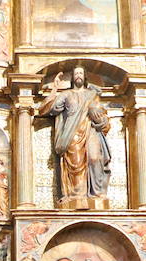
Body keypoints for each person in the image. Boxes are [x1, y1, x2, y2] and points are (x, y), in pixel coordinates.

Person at [38, 66, 112, 208]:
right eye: (76, 73)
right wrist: (54, 89)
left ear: (85, 77)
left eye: (81, 73)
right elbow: (47, 109)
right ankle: (76, 197)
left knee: (95, 158)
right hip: (72, 134)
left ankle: (96, 194)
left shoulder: (92, 94)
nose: (78, 75)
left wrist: (100, 118)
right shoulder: (66, 94)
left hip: (90, 130)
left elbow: (102, 116)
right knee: (76, 163)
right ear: (72, 78)